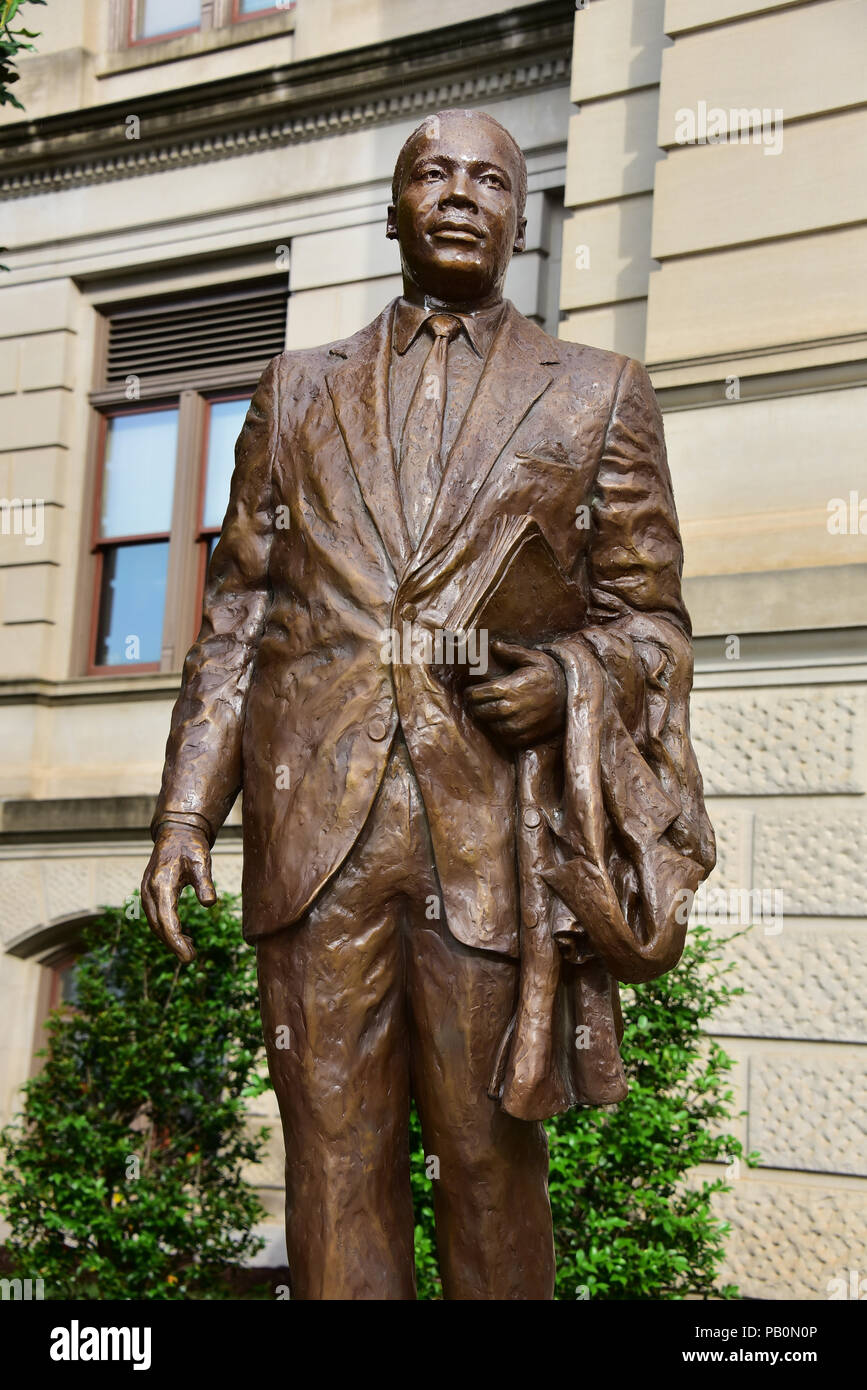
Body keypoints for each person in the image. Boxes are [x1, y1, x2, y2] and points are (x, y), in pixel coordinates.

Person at [142, 108, 714, 1300]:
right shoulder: (293, 392)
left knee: (489, 1159)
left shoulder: (598, 395)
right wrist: (186, 816)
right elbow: (239, 615)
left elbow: (652, 625)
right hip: (316, 844)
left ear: (520, 214)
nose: (461, 194)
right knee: (332, 1163)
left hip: (488, 844)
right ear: (396, 204)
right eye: (434, 173)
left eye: (491, 179)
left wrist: (565, 682)